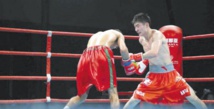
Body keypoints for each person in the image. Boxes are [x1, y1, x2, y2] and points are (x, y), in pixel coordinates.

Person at [122, 13, 207, 109]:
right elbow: (149, 57)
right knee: (134, 99)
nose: (136, 29)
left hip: (170, 75)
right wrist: (138, 64)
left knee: (193, 98)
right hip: (153, 76)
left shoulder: (157, 35)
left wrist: (134, 56)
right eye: (134, 27)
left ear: (146, 24)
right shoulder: (141, 39)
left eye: (138, 26)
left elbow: (154, 53)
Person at [63, 29, 131, 109]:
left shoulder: (96, 35)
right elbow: (123, 49)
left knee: (81, 96)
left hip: (85, 56)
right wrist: (128, 63)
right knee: (113, 92)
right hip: (101, 53)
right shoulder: (118, 34)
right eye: (115, 46)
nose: (113, 47)